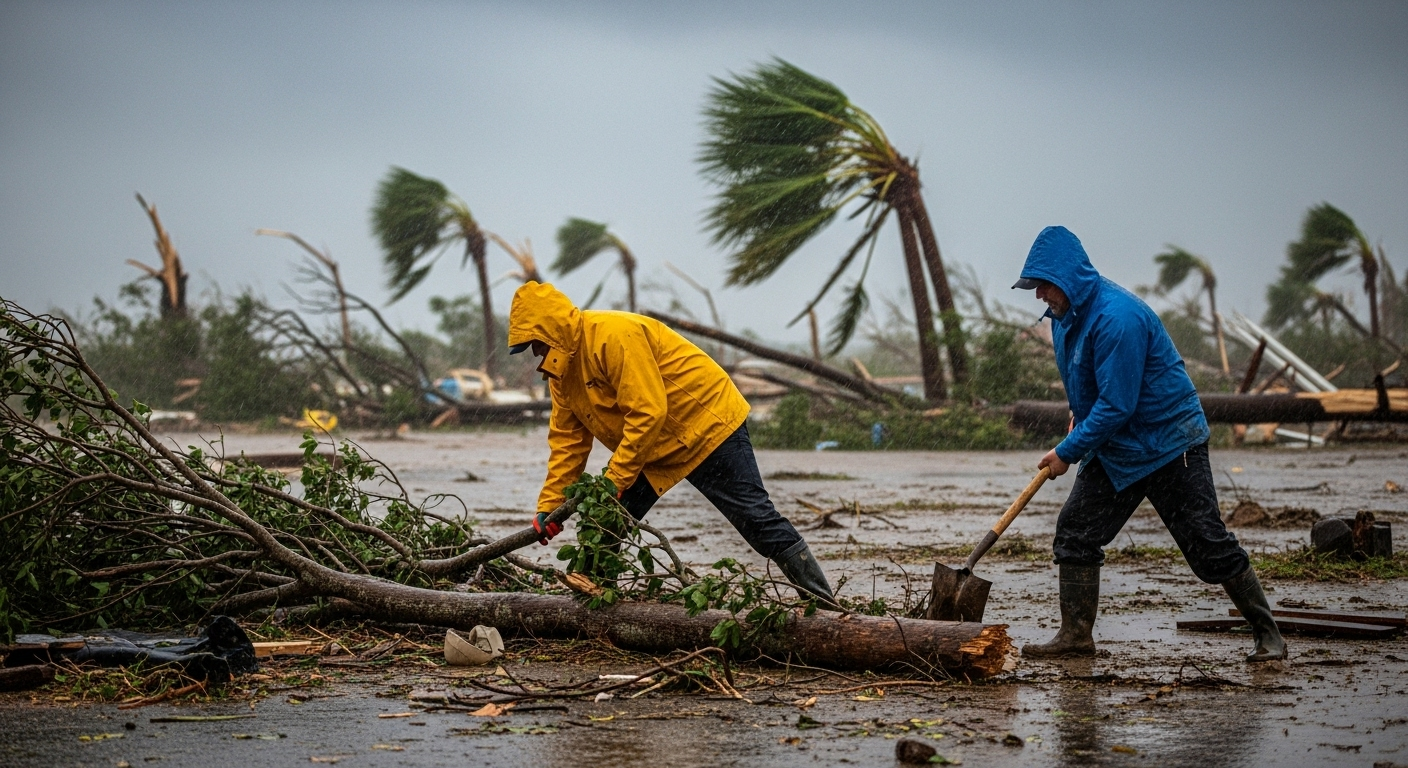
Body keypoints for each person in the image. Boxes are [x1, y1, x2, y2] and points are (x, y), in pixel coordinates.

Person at [1013, 226, 1285, 662]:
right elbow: (1088, 385)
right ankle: (1075, 636)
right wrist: (1077, 415)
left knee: (1207, 546)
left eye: (1043, 284)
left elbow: (1118, 404)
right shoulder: (1064, 321)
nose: (1039, 294)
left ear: (1066, 278)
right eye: (1035, 286)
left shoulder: (1118, 318)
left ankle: (1268, 634)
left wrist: (1066, 453)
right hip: (1117, 447)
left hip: (1168, 444)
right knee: (1077, 532)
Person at [505, 281, 837, 606]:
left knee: (757, 520)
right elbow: (568, 441)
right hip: (652, 446)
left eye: (535, 343)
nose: (534, 353)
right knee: (606, 521)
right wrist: (550, 506)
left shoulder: (613, 335)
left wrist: (615, 479)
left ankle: (826, 609)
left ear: (553, 330)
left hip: (706, 426)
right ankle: (597, 606)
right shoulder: (560, 373)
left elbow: (648, 412)